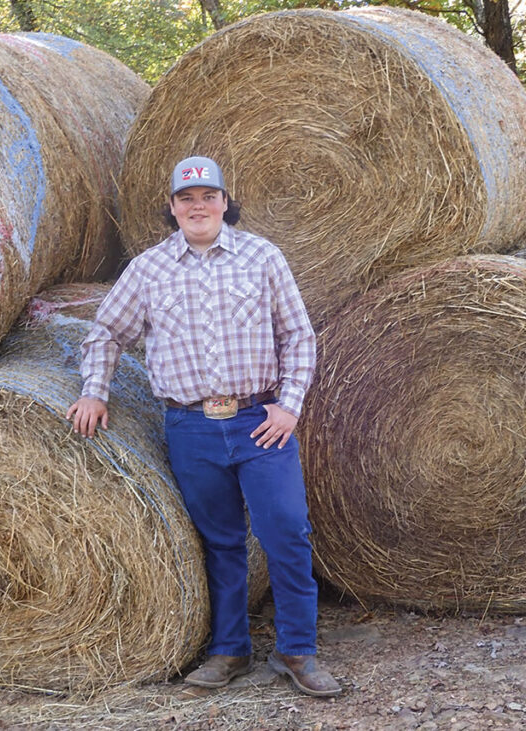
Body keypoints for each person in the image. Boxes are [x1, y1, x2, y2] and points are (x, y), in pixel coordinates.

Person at [66, 155, 341, 697]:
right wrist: (94, 391)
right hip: (190, 426)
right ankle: (229, 650)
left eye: (208, 197)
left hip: (260, 421)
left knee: (287, 531)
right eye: (186, 199)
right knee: (220, 542)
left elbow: (299, 337)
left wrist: (288, 406)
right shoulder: (148, 269)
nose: (198, 207)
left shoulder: (262, 257)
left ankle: (297, 651)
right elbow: (104, 334)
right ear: (172, 208)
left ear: (224, 202)